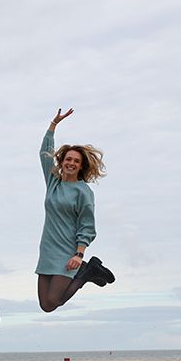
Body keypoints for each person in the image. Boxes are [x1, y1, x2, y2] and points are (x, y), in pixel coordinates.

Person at [36, 108, 114, 312]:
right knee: (45, 305)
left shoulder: (83, 192)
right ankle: (88, 271)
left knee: (53, 300)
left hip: (68, 251)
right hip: (47, 249)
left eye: (76, 161)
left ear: (81, 166)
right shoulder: (53, 182)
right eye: (68, 159)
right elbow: (44, 154)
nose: (71, 163)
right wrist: (53, 126)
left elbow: (87, 225)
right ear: (62, 162)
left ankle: (87, 272)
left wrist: (79, 254)